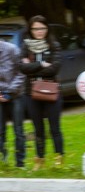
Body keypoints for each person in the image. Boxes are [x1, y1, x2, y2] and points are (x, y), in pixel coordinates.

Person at [19, 16, 64, 170]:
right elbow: (22, 68)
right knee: (38, 128)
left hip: (51, 91)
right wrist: (40, 64)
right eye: (36, 29)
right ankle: (40, 159)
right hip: (31, 93)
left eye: (42, 28)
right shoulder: (26, 46)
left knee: (54, 127)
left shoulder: (54, 46)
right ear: (30, 30)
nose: (39, 32)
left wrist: (32, 66)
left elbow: (54, 68)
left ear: (47, 29)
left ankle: (59, 157)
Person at [0, 36, 26, 168]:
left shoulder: (12, 49)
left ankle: (20, 163)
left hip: (15, 95)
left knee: (18, 130)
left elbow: (21, 73)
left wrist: (8, 93)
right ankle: (3, 161)